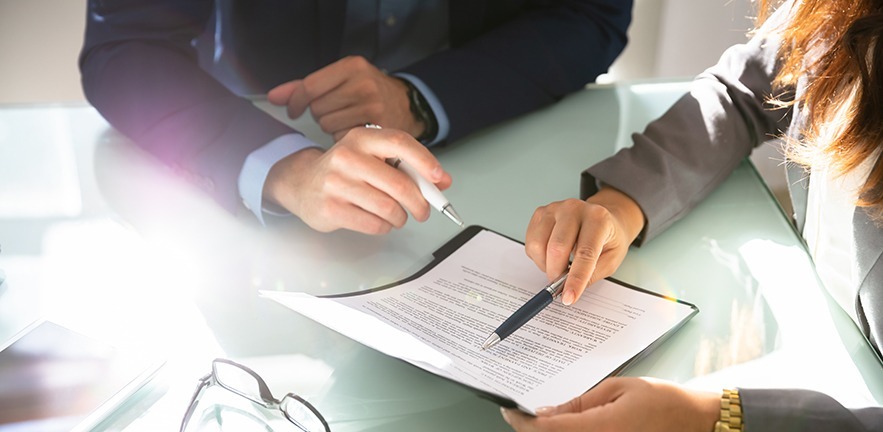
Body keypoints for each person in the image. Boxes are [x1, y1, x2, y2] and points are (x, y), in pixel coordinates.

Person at [502, 0, 883, 430]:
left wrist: (714, 420)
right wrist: (621, 206)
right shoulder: (846, 8)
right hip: (816, 320)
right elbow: (744, 90)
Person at [78, 0, 632, 234]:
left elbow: (591, 13)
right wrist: (286, 168)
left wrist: (418, 97)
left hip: (495, 123)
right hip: (239, 149)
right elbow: (125, 46)